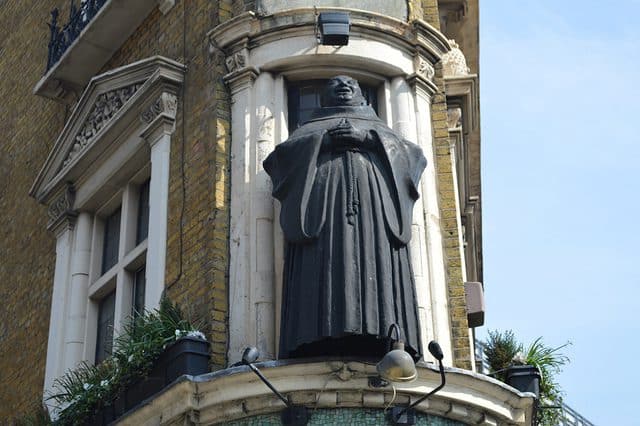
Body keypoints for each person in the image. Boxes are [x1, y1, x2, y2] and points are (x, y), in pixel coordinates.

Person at [264, 75, 426, 360]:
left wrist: (369, 140)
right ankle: (312, 335)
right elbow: (278, 161)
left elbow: (413, 157)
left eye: (352, 83)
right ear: (323, 97)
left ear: (362, 96)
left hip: (375, 218)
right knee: (326, 266)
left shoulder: (381, 130)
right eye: (334, 82)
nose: (344, 86)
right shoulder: (309, 129)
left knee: (377, 265)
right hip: (323, 220)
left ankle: (386, 333)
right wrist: (322, 142)